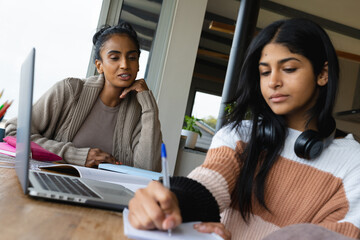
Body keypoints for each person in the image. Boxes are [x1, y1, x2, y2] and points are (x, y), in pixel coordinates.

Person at [128, 18, 360, 240]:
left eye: (288, 69)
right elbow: (209, 182)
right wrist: (173, 201)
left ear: (322, 74)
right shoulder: (239, 135)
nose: (273, 82)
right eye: (265, 72)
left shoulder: (353, 163)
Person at [5, 22, 162, 171]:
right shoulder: (70, 90)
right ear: (99, 65)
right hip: (57, 183)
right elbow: (15, 131)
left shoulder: (141, 110)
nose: (125, 65)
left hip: (110, 195)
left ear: (138, 64)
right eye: (114, 57)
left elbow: (148, 170)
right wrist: (78, 156)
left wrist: (150, 108)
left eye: (132, 57)